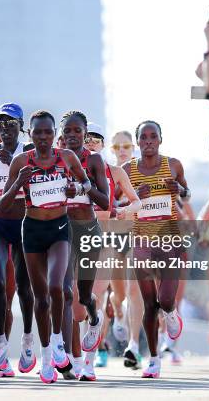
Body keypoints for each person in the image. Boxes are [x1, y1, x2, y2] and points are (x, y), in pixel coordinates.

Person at [0, 109, 94, 384]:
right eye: (38, 132)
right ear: (30, 134)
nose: (43, 137)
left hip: (60, 228)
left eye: (48, 132)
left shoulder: (66, 157)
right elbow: (4, 204)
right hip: (32, 230)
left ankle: (57, 342)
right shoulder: (21, 161)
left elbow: (85, 182)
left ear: (55, 135)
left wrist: (77, 189)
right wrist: (19, 181)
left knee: (58, 287)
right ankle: (46, 358)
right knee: (40, 298)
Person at [123, 120, 189, 379]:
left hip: (169, 240)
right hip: (141, 242)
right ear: (138, 142)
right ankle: (153, 359)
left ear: (160, 140)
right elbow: (118, 202)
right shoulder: (127, 170)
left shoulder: (173, 165)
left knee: (166, 300)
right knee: (150, 303)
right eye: (143, 137)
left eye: (153, 137)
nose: (148, 141)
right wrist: (135, 195)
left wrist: (180, 189)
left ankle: (171, 315)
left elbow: (187, 193)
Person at [59, 111, 119, 381]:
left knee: (84, 298)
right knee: (62, 293)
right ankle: (68, 358)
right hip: (60, 231)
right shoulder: (54, 158)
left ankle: (94, 322)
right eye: (67, 132)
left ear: (84, 134)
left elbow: (105, 201)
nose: (72, 136)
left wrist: (83, 186)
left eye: (77, 131)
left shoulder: (93, 160)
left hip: (88, 230)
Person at [0, 103, 35, 375]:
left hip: (24, 224)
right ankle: (0, 340)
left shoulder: (29, 152)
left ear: (21, 126)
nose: (5, 128)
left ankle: (26, 339)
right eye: (1, 123)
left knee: (24, 287)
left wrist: (12, 162)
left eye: (11, 123)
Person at [109, 131, 145, 371]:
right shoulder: (108, 172)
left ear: (133, 148)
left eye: (126, 146)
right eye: (117, 146)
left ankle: (133, 345)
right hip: (114, 234)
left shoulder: (143, 171)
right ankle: (118, 313)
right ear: (112, 150)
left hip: (137, 234)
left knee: (135, 289)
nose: (122, 150)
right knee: (118, 294)